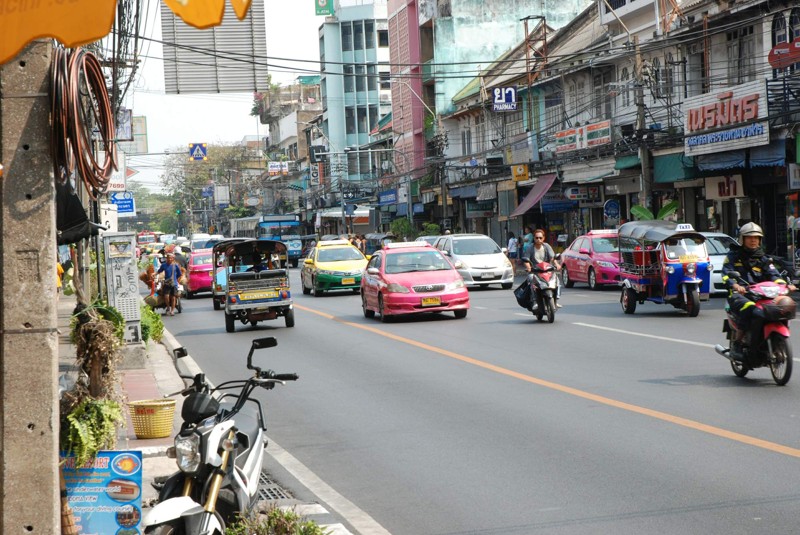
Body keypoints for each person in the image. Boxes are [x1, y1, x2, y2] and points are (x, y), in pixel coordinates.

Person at [722, 222, 795, 359]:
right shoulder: (733, 256)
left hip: (762, 295)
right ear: (742, 239)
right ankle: (738, 343)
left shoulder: (764, 258)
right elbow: (726, 273)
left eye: (756, 237)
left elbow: (774, 275)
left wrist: (785, 285)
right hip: (740, 295)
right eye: (749, 237)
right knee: (752, 309)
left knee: (783, 307)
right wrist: (735, 285)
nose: (753, 240)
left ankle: (773, 342)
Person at [522, 229, 562, 308]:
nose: (538, 240)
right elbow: (526, 260)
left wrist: (557, 264)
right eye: (536, 238)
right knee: (530, 279)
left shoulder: (547, 246)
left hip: (547, 270)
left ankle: (556, 300)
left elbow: (552, 258)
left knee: (556, 279)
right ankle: (534, 302)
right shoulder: (530, 248)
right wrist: (529, 268)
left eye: (540, 238)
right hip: (535, 271)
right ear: (534, 238)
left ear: (543, 238)